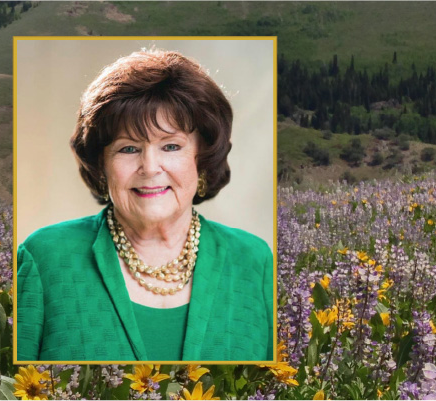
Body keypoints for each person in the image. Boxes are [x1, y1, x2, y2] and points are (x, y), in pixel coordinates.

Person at [16, 49, 273, 361]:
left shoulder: (254, 262)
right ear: (101, 164)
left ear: (202, 158)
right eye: (128, 148)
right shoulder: (44, 258)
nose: (150, 167)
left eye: (170, 146)